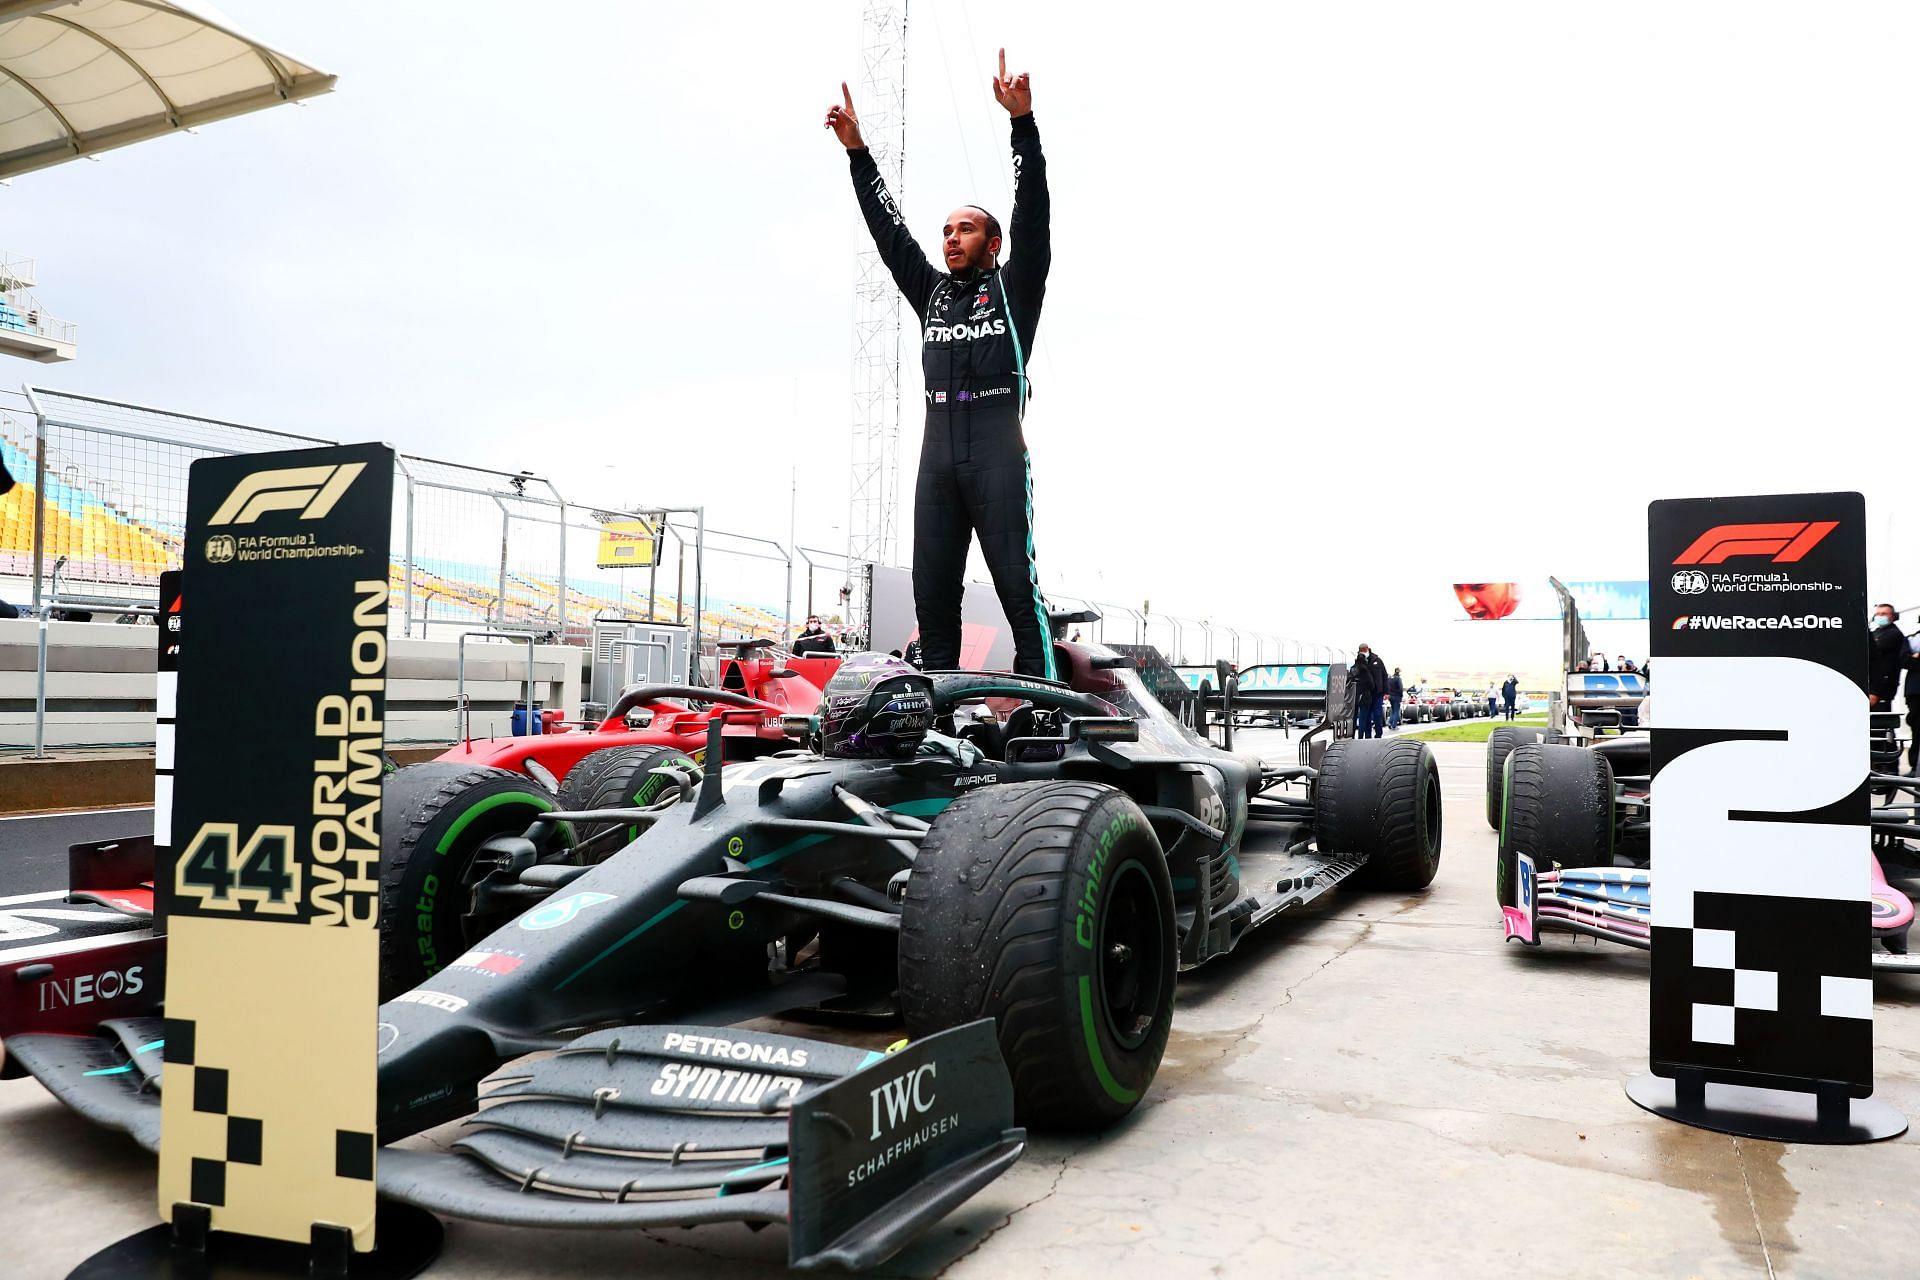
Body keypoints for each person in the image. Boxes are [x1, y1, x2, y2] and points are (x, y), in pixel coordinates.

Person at [828, 50, 1056, 678]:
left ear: (993, 242)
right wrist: (857, 153)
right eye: (946, 230)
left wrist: (1023, 124)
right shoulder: (930, 293)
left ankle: (1043, 701)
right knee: (933, 596)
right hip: (937, 458)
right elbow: (889, 231)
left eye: (965, 229)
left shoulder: (1015, 289)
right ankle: (936, 722)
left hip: (996, 450)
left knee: (1016, 584)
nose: (950, 237)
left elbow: (1033, 216)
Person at [1870, 604, 1905, 710]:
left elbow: (1875, 647)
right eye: (1877, 614)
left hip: (1883, 686)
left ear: (1893, 616)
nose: (1880, 616)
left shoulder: (1894, 634)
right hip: (1873, 682)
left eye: (1884, 614)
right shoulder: (1875, 632)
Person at [1351, 643, 1389, 738]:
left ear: (1368, 649)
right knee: (1366, 716)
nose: (1363, 652)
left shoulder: (1377, 661)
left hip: (1377, 692)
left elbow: (1384, 675)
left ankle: (1378, 734)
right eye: (1361, 650)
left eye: (1364, 650)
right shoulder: (1360, 661)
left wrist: (1386, 691)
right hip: (1366, 693)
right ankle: (1367, 735)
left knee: (1377, 714)